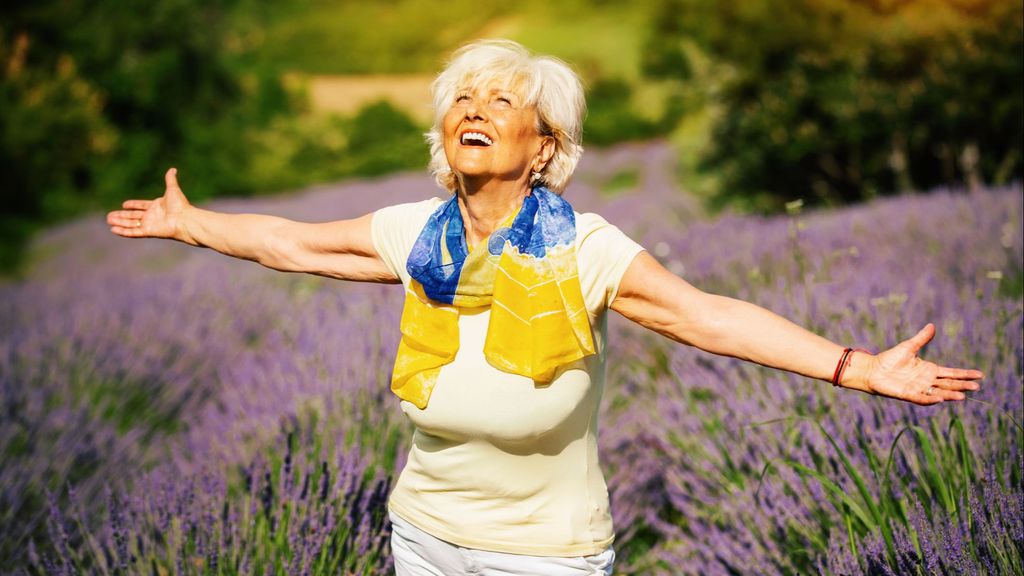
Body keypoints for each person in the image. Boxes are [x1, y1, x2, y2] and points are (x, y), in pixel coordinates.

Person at [106, 39, 983, 576]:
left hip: (546, 554)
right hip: (423, 534)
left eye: (501, 101)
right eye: (461, 97)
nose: (473, 109)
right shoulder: (416, 232)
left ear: (545, 145)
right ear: (444, 136)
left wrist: (858, 368)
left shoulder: (585, 248)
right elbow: (293, 243)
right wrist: (193, 226)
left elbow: (706, 315)